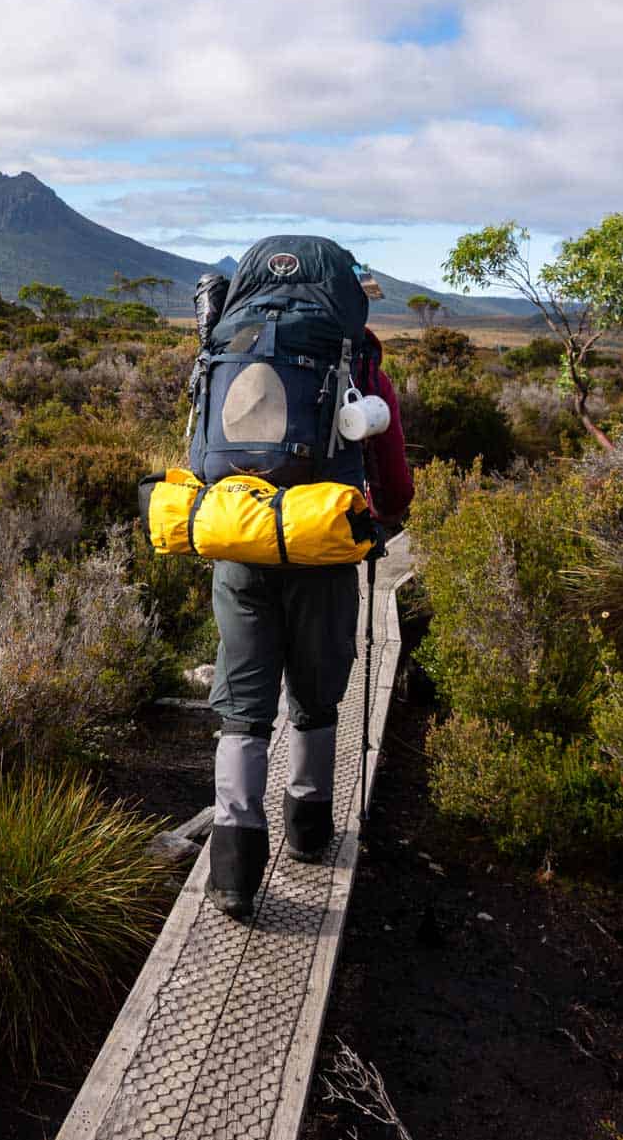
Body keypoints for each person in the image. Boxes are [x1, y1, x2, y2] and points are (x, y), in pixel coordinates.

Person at [201, 268, 415, 921]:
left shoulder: (230, 349)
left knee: (243, 704)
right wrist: (383, 520)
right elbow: (396, 482)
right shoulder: (357, 365)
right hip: (322, 548)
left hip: (240, 542)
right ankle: (308, 827)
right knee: (317, 693)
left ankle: (234, 869)